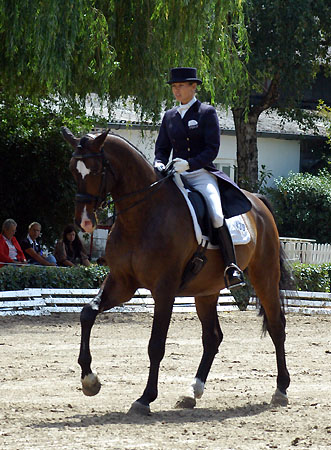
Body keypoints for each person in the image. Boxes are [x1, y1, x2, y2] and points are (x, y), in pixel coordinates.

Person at [154, 67, 252, 290]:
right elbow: (162, 148)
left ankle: (231, 267)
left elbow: (212, 149)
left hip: (200, 174)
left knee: (216, 215)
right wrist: (159, 162)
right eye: (174, 87)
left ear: (193, 87)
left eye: (180, 86)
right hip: (175, 175)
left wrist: (190, 163)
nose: (176, 91)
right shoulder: (169, 116)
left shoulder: (206, 113)